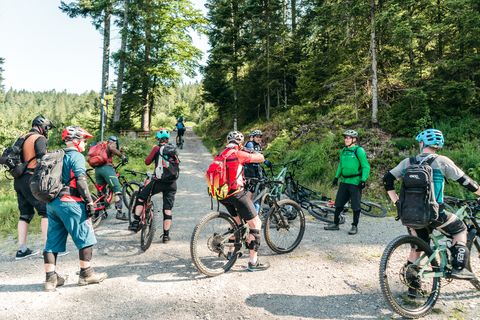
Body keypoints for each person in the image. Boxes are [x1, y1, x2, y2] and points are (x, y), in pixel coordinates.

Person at [383, 128, 480, 281]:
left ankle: (412, 288)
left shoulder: (408, 162)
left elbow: (387, 179)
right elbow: (467, 182)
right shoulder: (442, 161)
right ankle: (459, 268)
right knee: (460, 228)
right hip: (435, 214)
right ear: (438, 145)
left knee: (417, 247)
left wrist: (398, 203)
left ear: (422, 143)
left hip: (410, 214)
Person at [43, 126, 107, 291]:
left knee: (52, 242)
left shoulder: (57, 155)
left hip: (53, 204)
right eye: (84, 141)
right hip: (71, 202)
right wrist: (89, 202)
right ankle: (86, 274)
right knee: (86, 237)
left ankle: (50, 279)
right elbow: (80, 180)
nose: (85, 144)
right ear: (77, 141)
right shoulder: (76, 156)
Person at [219, 131, 270, 271]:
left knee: (237, 223)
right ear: (240, 143)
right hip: (236, 194)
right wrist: (250, 150)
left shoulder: (222, 153)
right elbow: (260, 158)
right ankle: (253, 263)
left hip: (222, 195)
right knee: (256, 223)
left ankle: (231, 252)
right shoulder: (239, 153)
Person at [14, 115, 55, 260]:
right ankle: (49, 248)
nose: (47, 130)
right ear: (41, 126)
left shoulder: (22, 137)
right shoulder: (39, 138)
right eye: (47, 127)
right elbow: (42, 161)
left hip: (18, 180)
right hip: (31, 178)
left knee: (25, 214)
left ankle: (22, 249)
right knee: (46, 212)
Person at [128, 129, 179, 243]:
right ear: (167, 139)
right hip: (172, 183)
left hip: (158, 182)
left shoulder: (157, 148)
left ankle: (136, 222)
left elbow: (147, 162)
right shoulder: (172, 149)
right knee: (167, 209)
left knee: (141, 197)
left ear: (158, 139)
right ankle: (166, 236)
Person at [325, 129, 370, 235]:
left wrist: (363, 180)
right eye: (345, 137)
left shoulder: (359, 151)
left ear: (354, 139)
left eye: (348, 137)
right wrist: (336, 177)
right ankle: (335, 224)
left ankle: (354, 226)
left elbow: (366, 166)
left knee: (355, 205)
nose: (346, 139)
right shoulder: (343, 151)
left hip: (355, 182)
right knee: (339, 203)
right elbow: (341, 165)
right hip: (344, 181)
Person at [90, 135, 128, 221]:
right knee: (117, 190)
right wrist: (122, 156)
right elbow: (112, 149)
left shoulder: (100, 146)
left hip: (97, 170)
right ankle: (119, 213)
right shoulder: (111, 144)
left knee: (101, 192)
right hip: (107, 169)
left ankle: (100, 213)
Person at [243, 129, 271, 212]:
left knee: (256, 189)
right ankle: (247, 207)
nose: (259, 138)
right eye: (257, 136)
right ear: (253, 137)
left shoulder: (258, 145)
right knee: (251, 188)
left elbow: (259, 155)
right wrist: (264, 160)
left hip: (256, 170)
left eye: (260, 136)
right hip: (249, 170)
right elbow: (253, 154)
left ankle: (255, 207)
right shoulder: (250, 144)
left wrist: (263, 160)